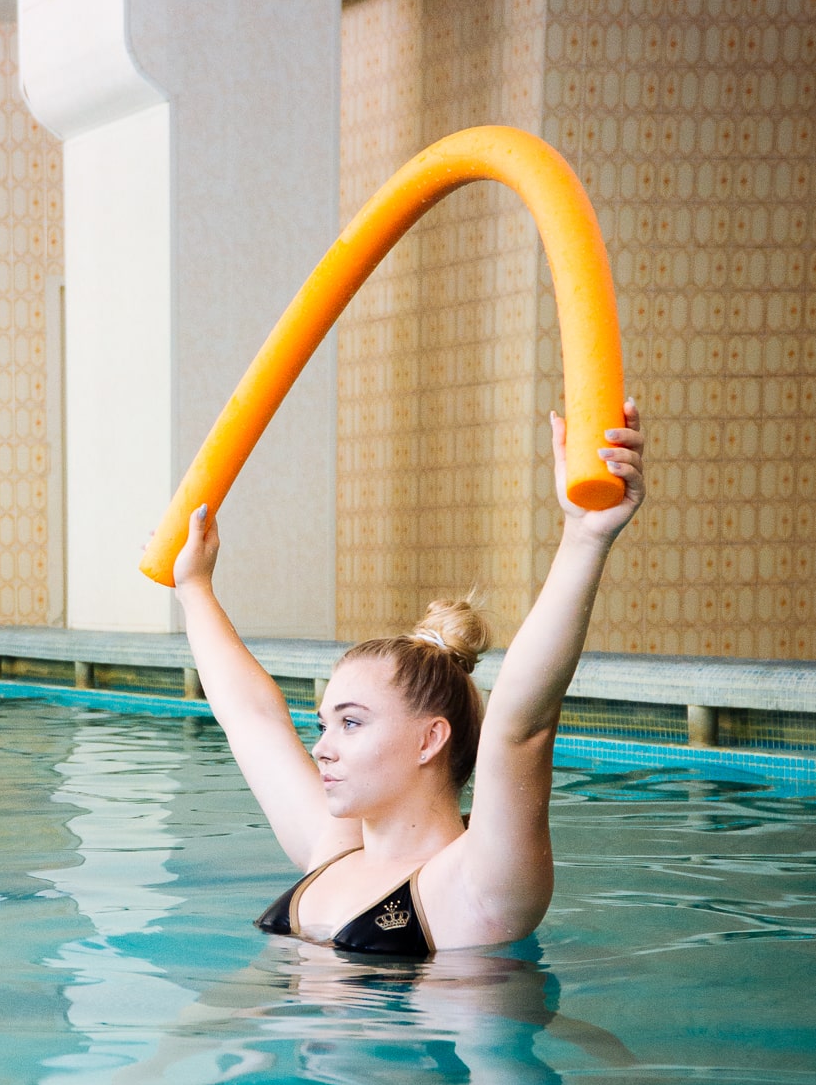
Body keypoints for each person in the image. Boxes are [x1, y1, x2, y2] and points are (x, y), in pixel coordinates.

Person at [172, 401, 645, 956]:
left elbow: (523, 726)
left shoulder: (479, 886)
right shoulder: (334, 848)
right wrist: (194, 588)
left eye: (351, 723)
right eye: (324, 725)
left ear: (430, 739)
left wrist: (585, 539)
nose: (321, 748)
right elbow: (252, 720)